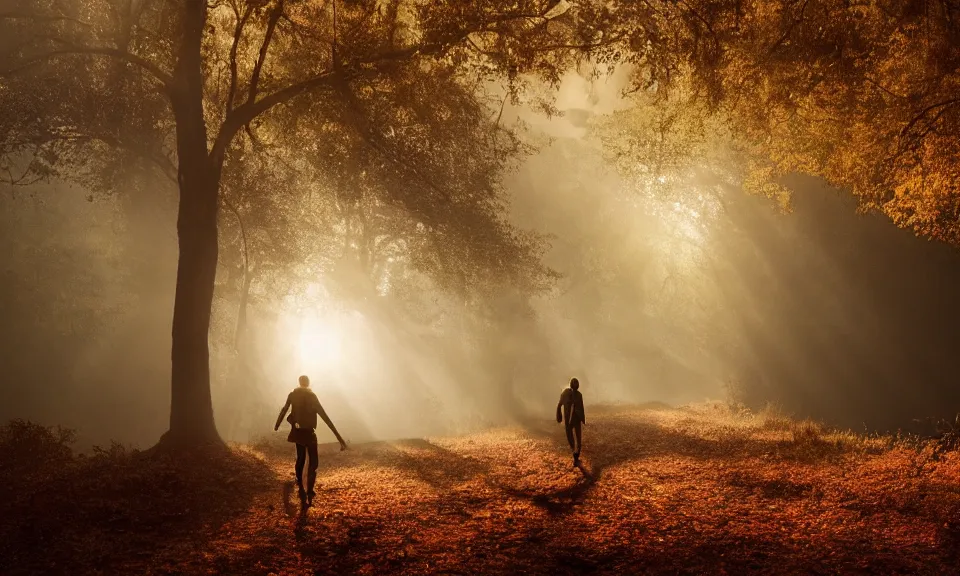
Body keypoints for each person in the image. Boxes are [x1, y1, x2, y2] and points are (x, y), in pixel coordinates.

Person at [275, 375, 347, 505]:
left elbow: (284, 409)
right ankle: (309, 491)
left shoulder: (292, 395)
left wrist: (277, 424)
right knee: (313, 463)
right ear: (307, 383)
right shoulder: (312, 396)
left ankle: (302, 487)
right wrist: (339, 438)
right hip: (309, 433)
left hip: (298, 433)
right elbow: (325, 416)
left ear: (299, 382)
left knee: (301, 459)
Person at [556, 377, 585, 466]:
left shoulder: (577, 395)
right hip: (570, 419)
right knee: (573, 437)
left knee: (575, 436)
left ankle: (575, 454)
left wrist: (582, 418)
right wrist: (559, 414)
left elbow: (580, 408)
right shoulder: (566, 394)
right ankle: (575, 452)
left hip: (574, 418)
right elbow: (559, 405)